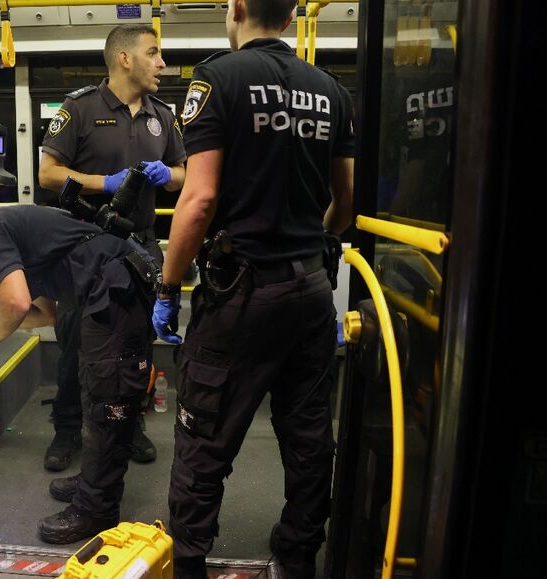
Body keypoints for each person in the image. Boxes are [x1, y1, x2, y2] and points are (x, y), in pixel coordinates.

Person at [152, 0, 355, 577]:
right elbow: (346, 203)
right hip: (312, 292)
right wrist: (304, 243)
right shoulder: (331, 91)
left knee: (203, 438)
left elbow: (200, 199)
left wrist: (169, 287)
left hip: (241, 293)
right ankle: (296, 556)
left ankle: (188, 563)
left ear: (238, 8)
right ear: (292, 17)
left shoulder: (217, 79)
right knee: (310, 436)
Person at [0, 206, 158, 545]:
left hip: (115, 290)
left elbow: (15, 305)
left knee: (108, 400)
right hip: (106, 291)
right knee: (96, 394)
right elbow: (43, 313)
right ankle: (95, 479)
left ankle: (97, 509)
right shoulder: (10, 239)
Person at [37, 24, 186, 476]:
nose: (162, 63)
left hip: (138, 246)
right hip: (84, 246)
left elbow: (184, 173)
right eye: (154, 53)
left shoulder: (163, 114)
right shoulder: (79, 108)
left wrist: (168, 176)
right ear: (124, 59)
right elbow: (47, 173)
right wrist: (106, 183)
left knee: (137, 343)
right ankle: (67, 430)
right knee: (74, 345)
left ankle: (131, 424)